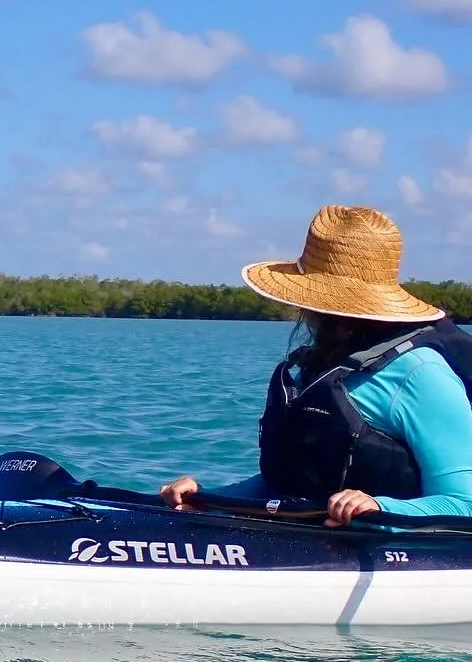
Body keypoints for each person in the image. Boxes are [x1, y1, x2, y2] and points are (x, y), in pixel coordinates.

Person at [160, 204, 472, 527]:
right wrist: (207, 499)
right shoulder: (313, 369)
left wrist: (378, 508)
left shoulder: (420, 375)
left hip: (391, 557)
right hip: (304, 547)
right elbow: (281, 488)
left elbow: (464, 503)